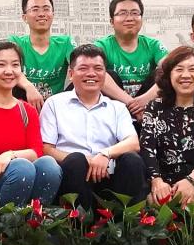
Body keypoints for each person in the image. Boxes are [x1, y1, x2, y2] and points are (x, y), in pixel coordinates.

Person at [41, 45, 144, 211]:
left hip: (108, 174)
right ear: (71, 74)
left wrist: (104, 154)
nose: (91, 74)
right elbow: (46, 149)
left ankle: (124, 222)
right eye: (83, 68)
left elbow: (133, 142)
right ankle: (79, 224)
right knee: (76, 161)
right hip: (73, 175)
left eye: (98, 68)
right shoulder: (54, 104)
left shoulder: (117, 107)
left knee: (132, 161)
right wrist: (86, 160)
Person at [0, 40, 62, 207]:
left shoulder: (27, 110)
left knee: (49, 165)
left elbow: (37, 151)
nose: (9, 71)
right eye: (1, 65)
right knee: (22, 167)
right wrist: (13, 163)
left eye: (15, 65)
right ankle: (7, 221)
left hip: (25, 177)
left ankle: (35, 218)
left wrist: (9, 155)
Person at [140, 46, 194, 208]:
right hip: (163, 182)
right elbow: (147, 147)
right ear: (169, 75)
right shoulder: (154, 107)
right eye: (179, 69)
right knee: (155, 202)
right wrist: (157, 180)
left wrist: (191, 181)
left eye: (192, 69)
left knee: (192, 201)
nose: (186, 75)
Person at [95, 0, 168, 119]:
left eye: (134, 13)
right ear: (112, 21)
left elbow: (173, 70)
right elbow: (94, 73)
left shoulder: (153, 45)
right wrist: (131, 103)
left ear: (141, 19)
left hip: (146, 106)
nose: (129, 18)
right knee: (102, 72)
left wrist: (143, 101)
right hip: (115, 107)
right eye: (122, 13)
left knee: (163, 72)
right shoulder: (102, 46)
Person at [9, 0, 75, 109]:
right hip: (22, 106)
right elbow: (8, 70)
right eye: (35, 9)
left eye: (46, 9)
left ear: (53, 14)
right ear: (24, 17)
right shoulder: (16, 43)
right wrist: (29, 87)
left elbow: (82, 67)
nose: (41, 14)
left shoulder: (65, 43)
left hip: (55, 108)